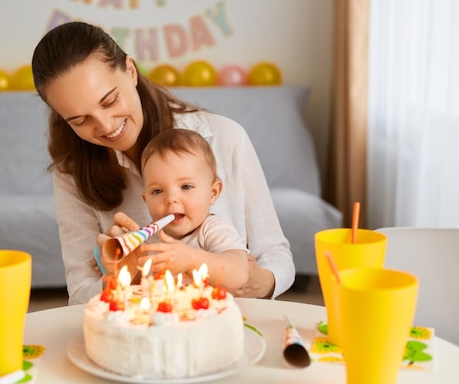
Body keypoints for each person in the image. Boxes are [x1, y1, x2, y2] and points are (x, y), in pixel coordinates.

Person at [31, 21, 294, 305]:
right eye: (80, 120)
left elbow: (276, 255)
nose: (106, 126)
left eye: (110, 101)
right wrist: (122, 276)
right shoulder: (71, 172)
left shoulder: (223, 137)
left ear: (130, 71)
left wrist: (255, 281)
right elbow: (81, 294)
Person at [139, 129, 249, 289]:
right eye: (157, 191)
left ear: (213, 192)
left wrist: (191, 259)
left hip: (209, 312)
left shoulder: (211, 230)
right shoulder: (148, 238)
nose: (170, 199)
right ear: (145, 200)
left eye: (186, 186)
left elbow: (240, 274)